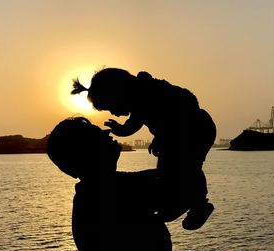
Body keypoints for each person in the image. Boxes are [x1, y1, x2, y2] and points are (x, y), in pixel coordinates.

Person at [71, 68, 216, 230]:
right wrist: (159, 135)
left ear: (117, 92)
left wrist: (162, 135)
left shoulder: (145, 93)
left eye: (111, 107)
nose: (115, 113)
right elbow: (142, 120)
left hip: (196, 129)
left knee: (186, 167)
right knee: (175, 169)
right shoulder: (141, 96)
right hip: (186, 132)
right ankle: (182, 202)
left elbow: (183, 104)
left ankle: (196, 203)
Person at [47, 117, 177, 251]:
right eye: (95, 133)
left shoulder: (95, 194)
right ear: (87, 151)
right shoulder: (108, 194)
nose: (105, 131)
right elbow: (180, 179)